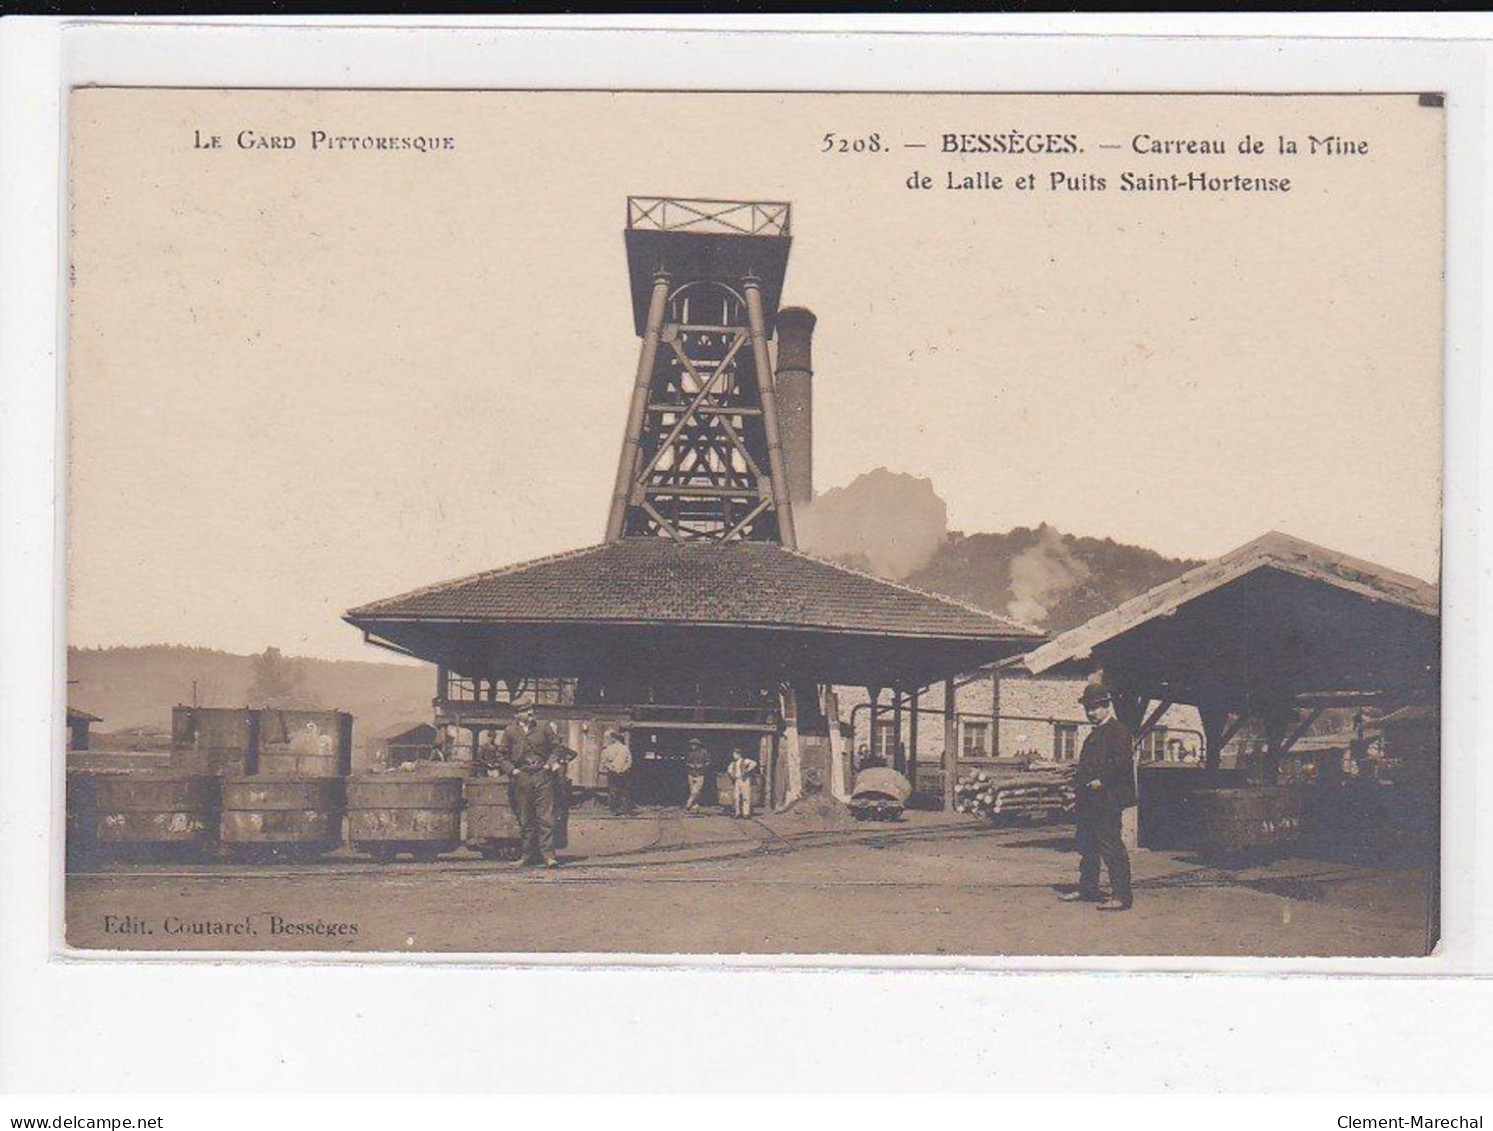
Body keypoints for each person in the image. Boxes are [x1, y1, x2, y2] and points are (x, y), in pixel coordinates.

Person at [1059, 678, 1135, 912]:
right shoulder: (1094, 734)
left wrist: (1102, 780)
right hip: (1089, 800)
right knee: (1087, 846)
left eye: (1095, 707)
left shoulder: (1118, 731)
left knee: (1111, 846)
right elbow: (1087, 766)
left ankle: (1122, 896)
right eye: (1087, 708)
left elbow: (1121, 763)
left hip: (1108, 798)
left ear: (1107, 706)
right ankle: (1088, 888)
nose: (1091, 712)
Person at [496, 704, 565, 867]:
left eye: (531, 710)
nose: (530, 713)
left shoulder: (543, 727)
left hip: (543, 775)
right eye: (526, 711)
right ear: (517, 714)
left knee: (546, 817)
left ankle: (548, 856)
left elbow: (557, 748)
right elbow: (502, 755)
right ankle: (527, 855)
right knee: (525, 817)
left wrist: (548, 765)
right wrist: (513, 772)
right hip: (522, 776)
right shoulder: (510, 731)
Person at [599, 728, 635, 815]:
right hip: (624, 772)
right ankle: (625, 810)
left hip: (613, 772)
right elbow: (629, 761)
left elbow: (604, 762)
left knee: (613, 791)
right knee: (625, 791)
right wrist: (623, 769)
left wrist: (612, 768)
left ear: (614, 739)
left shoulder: (608, 749)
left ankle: (614, 810)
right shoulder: (625, 749)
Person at [725, 745, 760, 818]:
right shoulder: (733, 763)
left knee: (746, 796)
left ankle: (746, 813)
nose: (734, 756)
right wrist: (732, 774)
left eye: (735, 754)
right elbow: (729, 769)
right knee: (736, 797)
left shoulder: (745, 761)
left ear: (739, 754)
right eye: (733, 754)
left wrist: (748, 770)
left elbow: (754, 763)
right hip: (737, 780)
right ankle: (737, 812)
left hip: (745, 779)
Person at [683, 737, 713, 813]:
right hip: (691, 773)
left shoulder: (704, 752)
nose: (693, 746)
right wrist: (690, 765)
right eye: (691, 745)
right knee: (692, 790)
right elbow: (685, 762)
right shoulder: (688, 753)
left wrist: (702, 765)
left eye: (694, 745)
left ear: (698, 745)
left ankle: (688, 804)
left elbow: (709, 762)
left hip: (700, 773)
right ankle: (695, 807)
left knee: (696, 791)